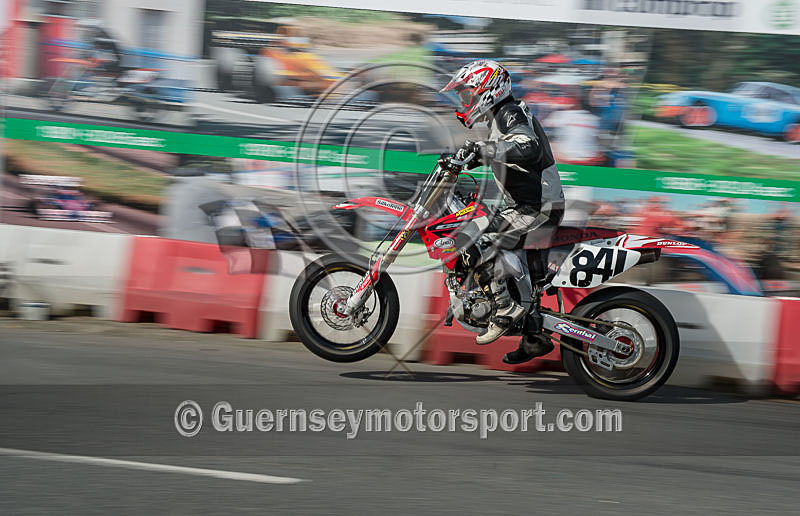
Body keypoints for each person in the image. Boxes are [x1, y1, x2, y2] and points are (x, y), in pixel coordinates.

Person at [439, 59, 565, 364]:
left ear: (488, 90)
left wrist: (483, 150)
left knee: (480, 240)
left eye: (468, 93)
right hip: (523, 205)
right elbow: (503, 152)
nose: (464, 100)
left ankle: (506, 308)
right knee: (475, 221)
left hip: (538, 207)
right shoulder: (499, 118)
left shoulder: (510, 113)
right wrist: (462, 159)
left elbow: (528, 147)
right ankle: (535, 337)